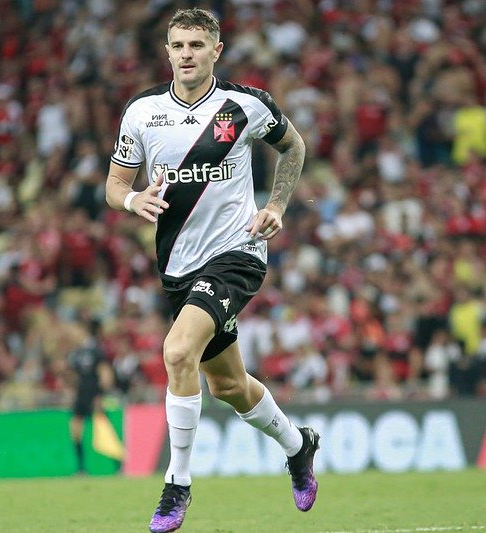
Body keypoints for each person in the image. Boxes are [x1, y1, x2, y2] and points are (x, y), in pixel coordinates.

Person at [105, 9, 319, 532]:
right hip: (178, 267)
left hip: (237, 255)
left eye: (197, 45)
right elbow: (115, 187)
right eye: (178, 45)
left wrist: (278, 205)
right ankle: (298, 445)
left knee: (177, 352)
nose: (186, 54)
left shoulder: (242, 106)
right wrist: (134, 201)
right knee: (227, 386)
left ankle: (176, 485)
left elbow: (294, 145)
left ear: (216, 50)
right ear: (168, 50)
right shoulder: (142, 112)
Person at [67, 319, 114, 474]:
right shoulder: (76, 352)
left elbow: (104, 373)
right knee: (75, 430)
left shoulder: (95, 350)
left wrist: (100, 396)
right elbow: (73, 376)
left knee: (104, 431)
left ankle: (117, 464)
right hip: (81, 395)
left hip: (93, 394)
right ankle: (81, 467)